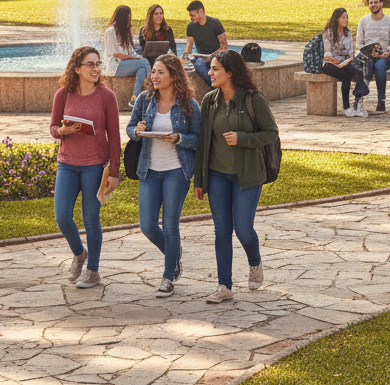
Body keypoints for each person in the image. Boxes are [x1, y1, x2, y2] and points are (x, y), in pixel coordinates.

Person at [193, 49, 279, 303]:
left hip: (247, 175)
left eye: (215, 69)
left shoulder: (253, 100)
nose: (210, 73)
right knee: (222, 231)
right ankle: (224, 286)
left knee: (243, 229)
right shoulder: (209, 100)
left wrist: (242, 139)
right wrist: (200, 180)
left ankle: (255, 262)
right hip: (217, 175)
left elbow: (271, 132)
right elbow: (203, 142)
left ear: (230, 73)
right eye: (210, 68)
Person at [126, 55, 202, 297]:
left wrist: (179, 138)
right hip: (149, 169)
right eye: (154, 72)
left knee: (170, 225)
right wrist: (137, 131)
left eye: (160, 72)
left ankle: (168, 276)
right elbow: (130, 128)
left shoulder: (190, 104)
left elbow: (198, 138)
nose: (154, 76)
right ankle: (174, 252)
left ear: (173, 76)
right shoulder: (144, 99)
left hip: (176, 170)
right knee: (147, 226)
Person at [49, 46, 121, 289]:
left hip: (94, 165)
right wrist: (62, 131)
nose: (96, 69)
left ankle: (93, 271)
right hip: (67, 164)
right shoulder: (63, 94)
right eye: (90, 64)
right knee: (62, 216)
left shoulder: (107, 96)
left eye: (98, 64)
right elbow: (52, 127)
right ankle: (80, 253)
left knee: (91, 218)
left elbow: (115, 137)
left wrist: (114, 172)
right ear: (77, 68)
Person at [321, 7, 370, 117]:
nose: (346, 20)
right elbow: (327, 54)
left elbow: (350, 54)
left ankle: (358, 104)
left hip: (345, 62)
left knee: (359, 72)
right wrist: (336, 61)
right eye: (343, 17)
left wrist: (344, 61)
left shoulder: (347, 32)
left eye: (347, 17)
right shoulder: (328, 33)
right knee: (345, 77)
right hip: (330, 64)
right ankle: (347, 108)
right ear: (337, 18)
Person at [355, 0, 390, 113]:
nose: (373, 5)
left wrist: (386, 53)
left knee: (379, 66)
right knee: (367, 65)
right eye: (371, 3)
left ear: (381, 3)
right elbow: (359, 44)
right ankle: (359, 99)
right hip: (368, 54)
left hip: (385, 55)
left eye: (376, 2)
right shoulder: (363, 21)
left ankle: (381, 101)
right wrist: (370, 53)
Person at [103, 5, 151, 105]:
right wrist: (135, 59)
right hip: (114, 66)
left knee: (142, 69)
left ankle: (134, 98)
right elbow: (115, 55)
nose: (130, 19)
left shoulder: (125, 32)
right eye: (128, 16)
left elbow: (132, 51)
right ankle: (153, 91)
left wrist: (139, 56)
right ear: (122, 17)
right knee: (144, 62)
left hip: (126, 64)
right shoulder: (110, 31)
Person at [182, 0, 228, 87]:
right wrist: (182, 59)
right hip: (201, 57)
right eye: (190, 15)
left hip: (216, 56)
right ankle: (216, 88)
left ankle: (215, 89)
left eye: (192, 15)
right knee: (199, 63)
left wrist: (211, 56)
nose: (191, 18)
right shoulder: (191, 26)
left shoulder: (215, 23)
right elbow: (189, 47)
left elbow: (224, 46)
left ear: (201, 12)